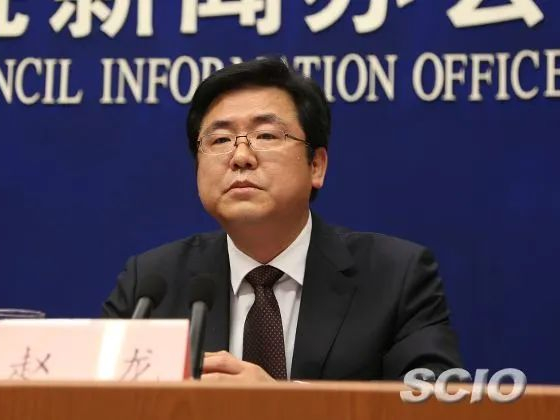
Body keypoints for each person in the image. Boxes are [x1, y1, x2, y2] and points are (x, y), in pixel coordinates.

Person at [103, 57, 462, 382]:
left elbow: (436, 404)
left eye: (266, 135)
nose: (241, 156)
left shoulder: (395, 277)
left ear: (316, 165)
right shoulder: (150, 287)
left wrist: (283, 406)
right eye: (221, 139)